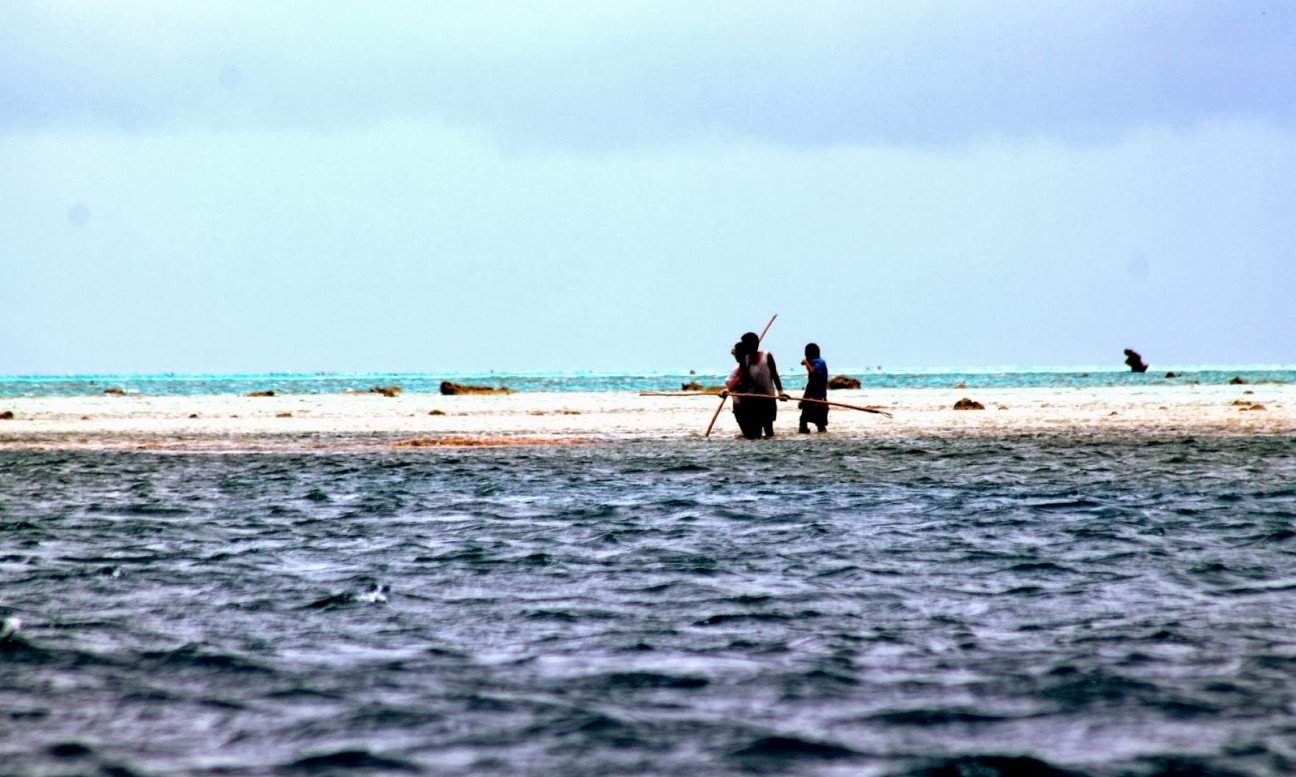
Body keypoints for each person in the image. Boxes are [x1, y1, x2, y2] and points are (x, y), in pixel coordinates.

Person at [724, 332, 788, 439]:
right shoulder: (745, 360)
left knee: (768, 429)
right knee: (756, 432)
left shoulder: (766, 356)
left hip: (768, 397)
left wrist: (781, 392)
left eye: (747, 344)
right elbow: (738, 376)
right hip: (753, 400)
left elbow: (774, 374)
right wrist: (728, 389)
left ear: (755, 344)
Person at [799, 342, 829, 433]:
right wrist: (803, 400)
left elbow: (813, 371)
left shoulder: (820, 362)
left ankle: (821, 433)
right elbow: (802, 363)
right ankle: (804, 432)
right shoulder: (813, 362)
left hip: (819, 394)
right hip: (811, 393)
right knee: (803, 419)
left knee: (820, 421)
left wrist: (806, 363)